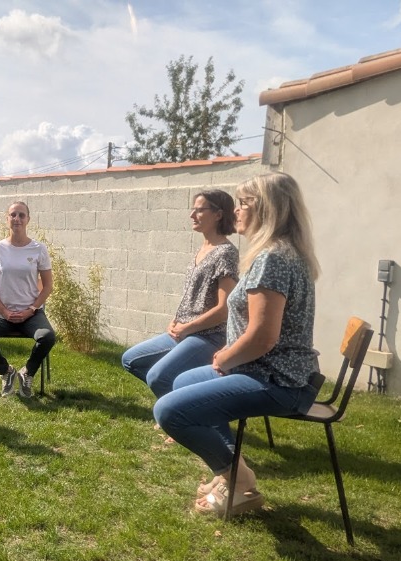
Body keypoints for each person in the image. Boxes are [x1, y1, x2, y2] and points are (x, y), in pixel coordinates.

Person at [153, 172, 321, 516]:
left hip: (276, 380)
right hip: (273, 372)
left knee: (169, 411)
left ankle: (240, 484)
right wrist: (229, 358)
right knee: (182, 382)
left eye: (243, 203)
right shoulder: (286, 253)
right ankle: (233, 472)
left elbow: (263, 336)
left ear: (265, 209)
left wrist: (225, 357)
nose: (236, 211)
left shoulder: (273, 258)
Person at [122, 190, 238, 399]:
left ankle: (181, 417)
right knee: (131, 359)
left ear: (218, 214)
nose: (192, 215)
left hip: (208, 335)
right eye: (192, 209)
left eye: (199, 210)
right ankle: (181, 406)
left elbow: (224, 309)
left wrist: (187, 328)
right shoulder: (203, 248)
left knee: (159, 377)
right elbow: (193, 296)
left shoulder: (225, 253)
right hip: (183, 330)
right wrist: (176, 321)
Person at [0, 201, 56, 398]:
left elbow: (48, 286)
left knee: (48, 337)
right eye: (13, 215)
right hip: (2, 313)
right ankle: (7, 372)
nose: (17, 219)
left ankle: (27, 372)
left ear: (28, 219)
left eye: (21, 215)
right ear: (7, 218)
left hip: (31, 313)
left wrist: (32, 309)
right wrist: (4, 311)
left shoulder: (38, 249)